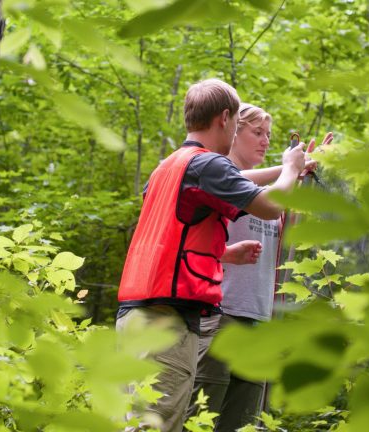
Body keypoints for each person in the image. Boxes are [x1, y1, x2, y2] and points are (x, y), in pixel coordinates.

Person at [115, 79, 307, 432]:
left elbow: (178, 233)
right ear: (224, 118)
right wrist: (290, 167)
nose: (235, 133)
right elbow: (267, 205)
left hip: (137, 314)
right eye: (237, 123)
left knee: (142, 421)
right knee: (155, 426)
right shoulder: (208, 165)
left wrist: (224, 253)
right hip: (166, 318)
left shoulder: (170, 166)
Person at [186, 103, 332, 431]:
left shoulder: (270, 194)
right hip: (221, 316)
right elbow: (236, 182)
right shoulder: (218, 178)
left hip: (260, 321)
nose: (266, 140)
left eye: (269, 134)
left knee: (242, 424)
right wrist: (288, 169)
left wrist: (302, 175)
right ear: (232, 131)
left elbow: (290, 239)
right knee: (199, 420)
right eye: (257, 132)